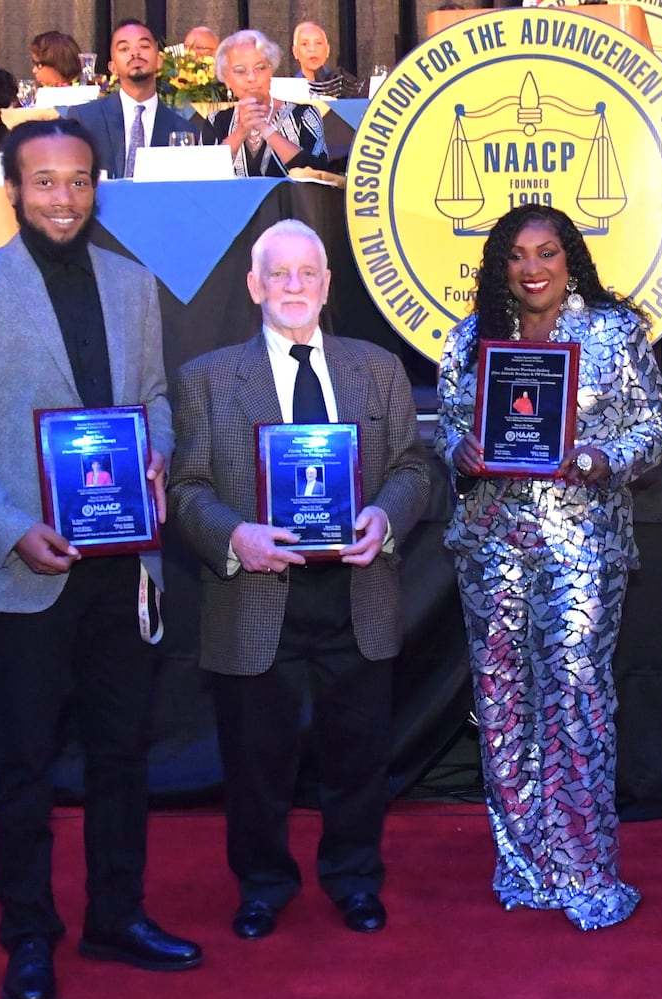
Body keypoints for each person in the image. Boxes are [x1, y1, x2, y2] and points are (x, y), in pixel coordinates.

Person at [0, 118, 201, 999]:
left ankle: (117, 913)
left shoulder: (134, 283)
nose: (63, 198)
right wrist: (10, 528)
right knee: (25, 764)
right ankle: (28, 934)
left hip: (123, 565)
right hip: (20, 570)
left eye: (78, 181)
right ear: (12, 190)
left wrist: (155, 452)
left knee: (122, 754)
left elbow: (152, 397)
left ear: (97, 186)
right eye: (44, 183)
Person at [168, 219, 432, 942]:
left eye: (307, 273)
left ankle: (354, 878)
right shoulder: (208, 379)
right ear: (254, 286)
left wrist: (385, 516)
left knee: (358, 757)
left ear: (326, 285)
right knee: (256, 763)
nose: (293, 285)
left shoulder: (377, 370)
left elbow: (414, 467)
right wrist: (235, 536)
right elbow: (186, 487)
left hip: (357, 592)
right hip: (255, 594)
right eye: (277, 273)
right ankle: (262, 884)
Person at [436, 204, 662, 931]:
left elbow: (655, 426)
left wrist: (605, 459)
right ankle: (525, 863)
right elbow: (448, 421)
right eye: (517, 255)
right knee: (503, 706)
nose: (532, 268)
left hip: (581, 545)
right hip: (491, 545)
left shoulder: (612, 331)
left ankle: (585, 869)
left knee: (575, 700)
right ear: (499, 265)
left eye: (547, 253)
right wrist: (460, 452)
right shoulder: (473, 337)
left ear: (570, 259)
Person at [68, 21, 209, 180]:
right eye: (124, 48)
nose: (135, 52)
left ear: (159, 61)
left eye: (144, 46)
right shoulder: (84, 119)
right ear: (112, 67)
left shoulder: (185, 130)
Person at [212, 30, 329, 177]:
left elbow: (320, 174)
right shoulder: (216, 120)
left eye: (260, 68)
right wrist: (241, 132)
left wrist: (265, 128)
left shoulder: (305, 114)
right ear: (226, 78)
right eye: (240, 71)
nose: (251, 77)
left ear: (271, 71)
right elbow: (202, 177)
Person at [292, 21, 362, 98]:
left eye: (318, 43)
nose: (312, 49)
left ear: (328, 50)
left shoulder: (343, 86)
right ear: (295, 52)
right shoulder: (288, 90)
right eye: (304, 44)